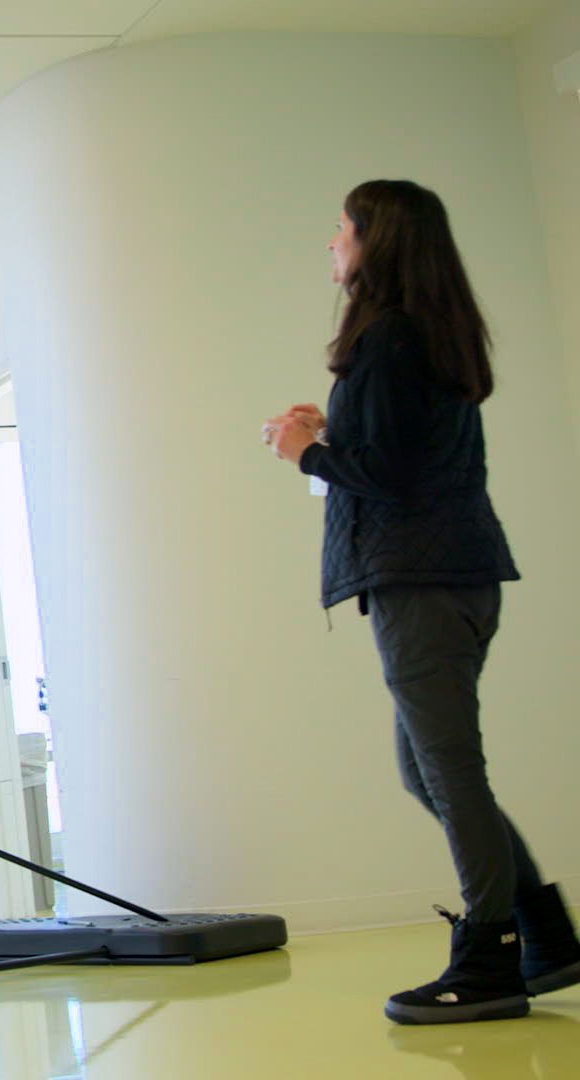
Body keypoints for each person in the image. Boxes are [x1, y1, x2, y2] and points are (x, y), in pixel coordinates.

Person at [262, 179, 580, 1025]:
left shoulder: (392, 338)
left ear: (378, 242)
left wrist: (304, 455)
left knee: (447, 768)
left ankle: (491, 956)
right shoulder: (417, 336)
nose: (328, 242)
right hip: (450, 573)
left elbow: (392, 478)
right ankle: (544, 934)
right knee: (428, 769)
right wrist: (329, 438)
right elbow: (402, 457)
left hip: (423, 583)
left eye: (340, 228)